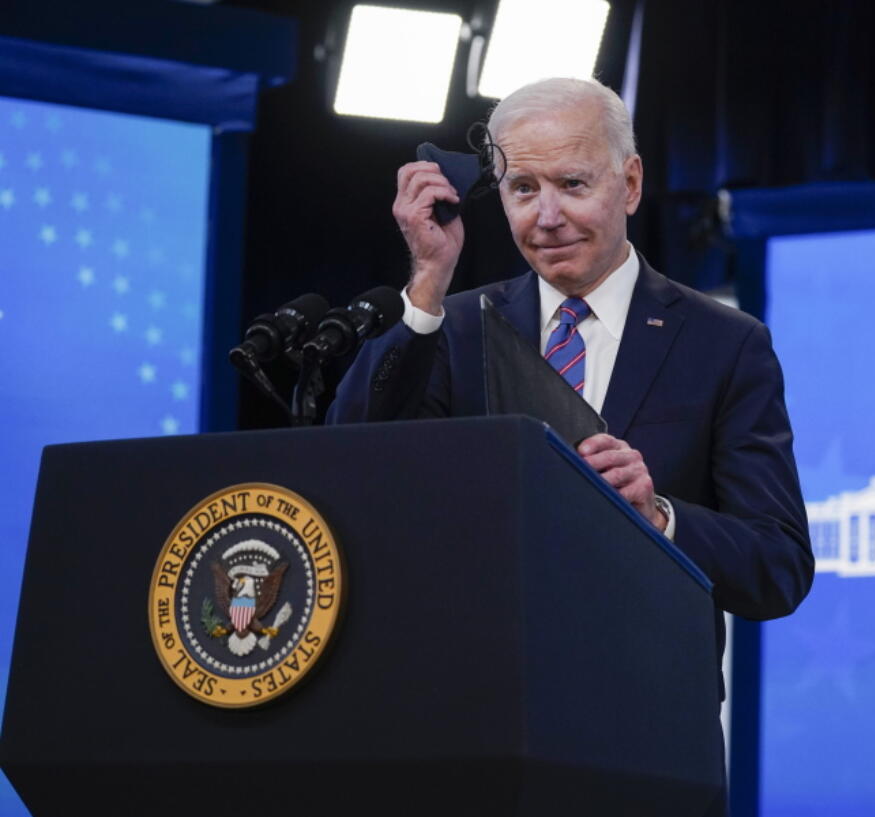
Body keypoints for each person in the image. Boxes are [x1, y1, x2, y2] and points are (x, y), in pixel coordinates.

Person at [329, 75, 810, 644]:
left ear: (630, 184)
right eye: (524, 189)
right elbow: (352, 465)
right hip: (481, 700)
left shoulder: (726, 344)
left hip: (649, 710)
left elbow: (778, 567)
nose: (547, 216)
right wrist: (428, 279)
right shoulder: (452, 327)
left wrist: (658, 517)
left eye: (573, 184)